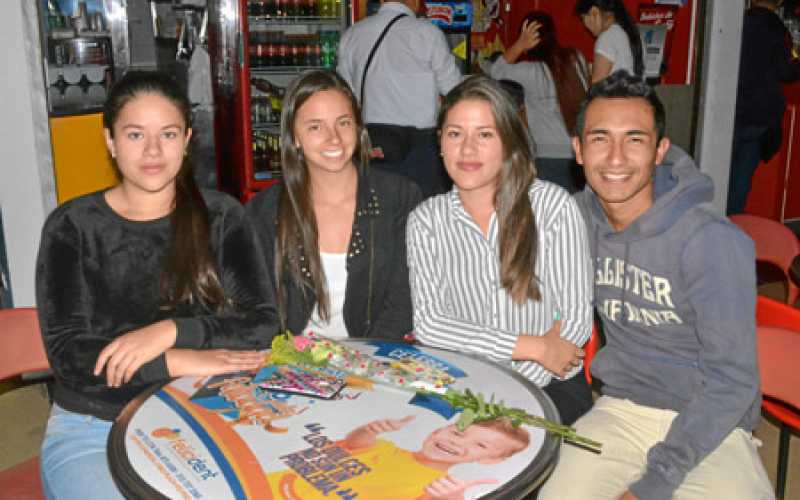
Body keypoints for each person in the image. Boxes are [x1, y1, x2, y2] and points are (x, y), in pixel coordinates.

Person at [36, 71, 280, 499]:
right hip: (95, 424)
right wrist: (175, 360)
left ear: (186, 139)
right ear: (110, 140)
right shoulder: (71, 226)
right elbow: (70, 356)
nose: (152, 150)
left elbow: (263, 325)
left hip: (206, 415)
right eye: (135, 135)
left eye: (167, 134)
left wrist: (170, 331)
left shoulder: (222, 216)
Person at [539, 72, 773, 500]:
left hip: (711, 424)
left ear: (659, 150)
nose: (615, 158)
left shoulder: (710, 240)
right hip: (622, 409)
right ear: (578, 150)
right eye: (600, 139)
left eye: (634, 139)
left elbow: (733, 380)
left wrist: (653, 484)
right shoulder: (572, 221)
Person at [407, 76, 594, 426]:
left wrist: (516, 383)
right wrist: (533, 347)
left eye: (485, 134)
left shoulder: (551, 206)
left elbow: (575, 320)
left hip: (548, 382)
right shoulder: (426, 220)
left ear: (508, 141)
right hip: (462, 384)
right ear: (440, 142)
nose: (467, 150)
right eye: (455, 134)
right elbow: (431, 325)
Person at [246, 70, 422, 341]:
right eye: (315, 127)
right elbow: (260, 308)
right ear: (294, 136)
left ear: (358, 127)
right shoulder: (265, 211)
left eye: (343, 123)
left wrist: (364, 359)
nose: (334, 138)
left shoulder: (399, 197)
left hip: (376, 354)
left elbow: (403, 301)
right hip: (292, 358)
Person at [337, 0, 462, 199]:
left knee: (378, 207)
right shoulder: (427, 33)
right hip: (421, 148)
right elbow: (454, 89)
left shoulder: (352, 34)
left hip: (373, 143)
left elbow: (344, 94)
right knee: (423, 210)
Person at [267, 415, 530, 499]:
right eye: (457, 432)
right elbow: (355, 444)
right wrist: (369, 429)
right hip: (268, 487)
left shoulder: (438, 488)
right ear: (437, 431)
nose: (456, 441)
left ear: (491, 460)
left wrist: (451, 498)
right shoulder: (385, 448)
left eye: (480, 445)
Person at [488, 11, 590, 192]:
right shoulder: (576, 59)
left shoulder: (529, 71)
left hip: (547, 156)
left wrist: (520, 44)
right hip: (579, 154)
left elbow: (495, 71)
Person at [728, 0, 800, 215]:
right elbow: (786, 72)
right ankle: (731, 222)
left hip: (731, 109)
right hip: (760, 114)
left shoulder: (737, 22)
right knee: (741, 178)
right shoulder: (777, 29)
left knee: (721, 171)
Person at [574, 0, 644, 82]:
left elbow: (597, 86)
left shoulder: (607, 37)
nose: (585, 24)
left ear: (594, 13)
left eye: (583, 18)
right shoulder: (633, 34)